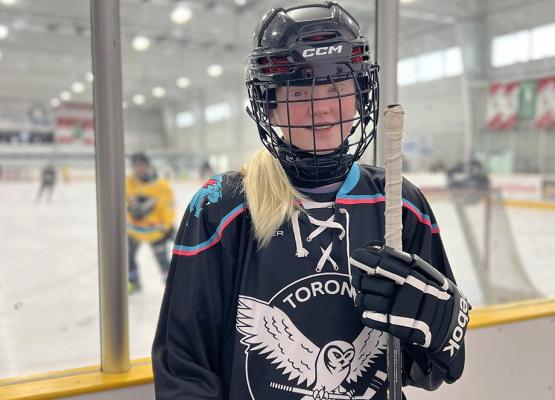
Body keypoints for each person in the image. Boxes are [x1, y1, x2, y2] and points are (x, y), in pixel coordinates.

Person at [152, 2, 469, 399]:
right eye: (299, 89)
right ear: (268, 104)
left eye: (337, 87)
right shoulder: (222, 206)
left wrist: (442, 336)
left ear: (361, 95)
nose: (320, 107)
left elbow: (425, 368)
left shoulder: (400, 203)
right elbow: (184, 367)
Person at [126, 152, 175, 293]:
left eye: (141, 165)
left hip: (155, 231)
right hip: (135, 230)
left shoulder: (161, 186)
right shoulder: (128, 183)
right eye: (135, 166)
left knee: (163, 262)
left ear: (148, 166)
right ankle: (134, 282)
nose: (138, 169)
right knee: (128, 258)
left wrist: (167, 227)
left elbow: (168, 208)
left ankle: (172, 288)